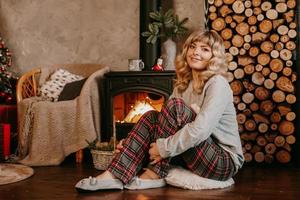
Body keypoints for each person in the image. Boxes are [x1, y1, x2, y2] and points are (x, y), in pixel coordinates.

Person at [75, 30, 244, 192]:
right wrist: (129, 143)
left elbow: (200, 130)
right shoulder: (184, 83)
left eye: (205, 49)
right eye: (192, 46)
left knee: (175, 106)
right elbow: (163, 122)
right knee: (152, 116)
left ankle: (156, 173)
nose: (195, 52)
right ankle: (113, 175)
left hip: (223, 161)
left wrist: (163, 149)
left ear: (214, 57)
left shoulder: (217, 84)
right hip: (195, 155)